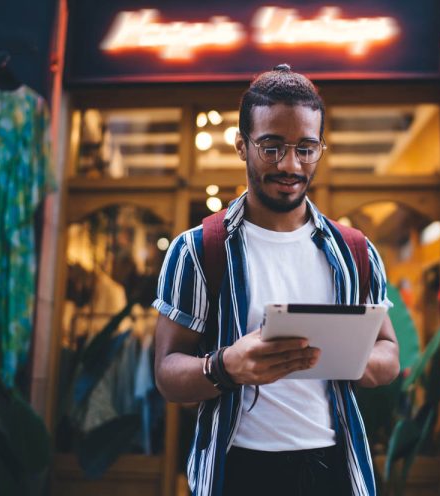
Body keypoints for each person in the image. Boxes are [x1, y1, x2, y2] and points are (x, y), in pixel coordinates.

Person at [153, 64, 399, 496]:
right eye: (271, 147)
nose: (290, 164)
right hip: (238, 472)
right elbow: (167, 374)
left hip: (334, 470)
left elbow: (390, 354)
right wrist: (225, 367)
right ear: (241, 146)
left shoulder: (355, 251)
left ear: (321, 147)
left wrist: (348, 355)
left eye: (306, 148)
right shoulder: (196, 250)